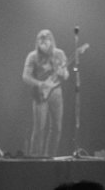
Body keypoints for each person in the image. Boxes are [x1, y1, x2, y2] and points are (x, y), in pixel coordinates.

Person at [22, 29, 68, 157]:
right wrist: (40, 84)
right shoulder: (32, 56)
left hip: (56, 92)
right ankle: (36, 157)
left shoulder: (59, 54)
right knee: (39, 128)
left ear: (51, 41)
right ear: (37, 43)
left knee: (57, 128)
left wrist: (63, 73)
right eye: (41, 41)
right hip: (40, 94)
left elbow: (66, 75)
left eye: (46, 41)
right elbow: (25, 76)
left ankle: (50, 156)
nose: (44, 44)